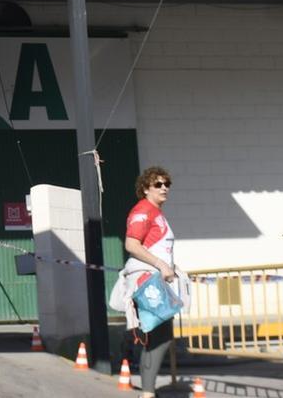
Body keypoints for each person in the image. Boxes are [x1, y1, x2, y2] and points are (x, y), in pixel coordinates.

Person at [122, 166, 179, 398]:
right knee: (158, 338)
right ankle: (147, 393)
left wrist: (171, 267)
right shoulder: (143, 211)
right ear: (146, 188)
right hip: (148, 282)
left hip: (156, 280)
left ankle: (148, 392)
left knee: (157, 337)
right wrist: (161, 264)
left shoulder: (155, 212)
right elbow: (131, 244)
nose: (164, 188)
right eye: (158, 184)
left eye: (167, 184)